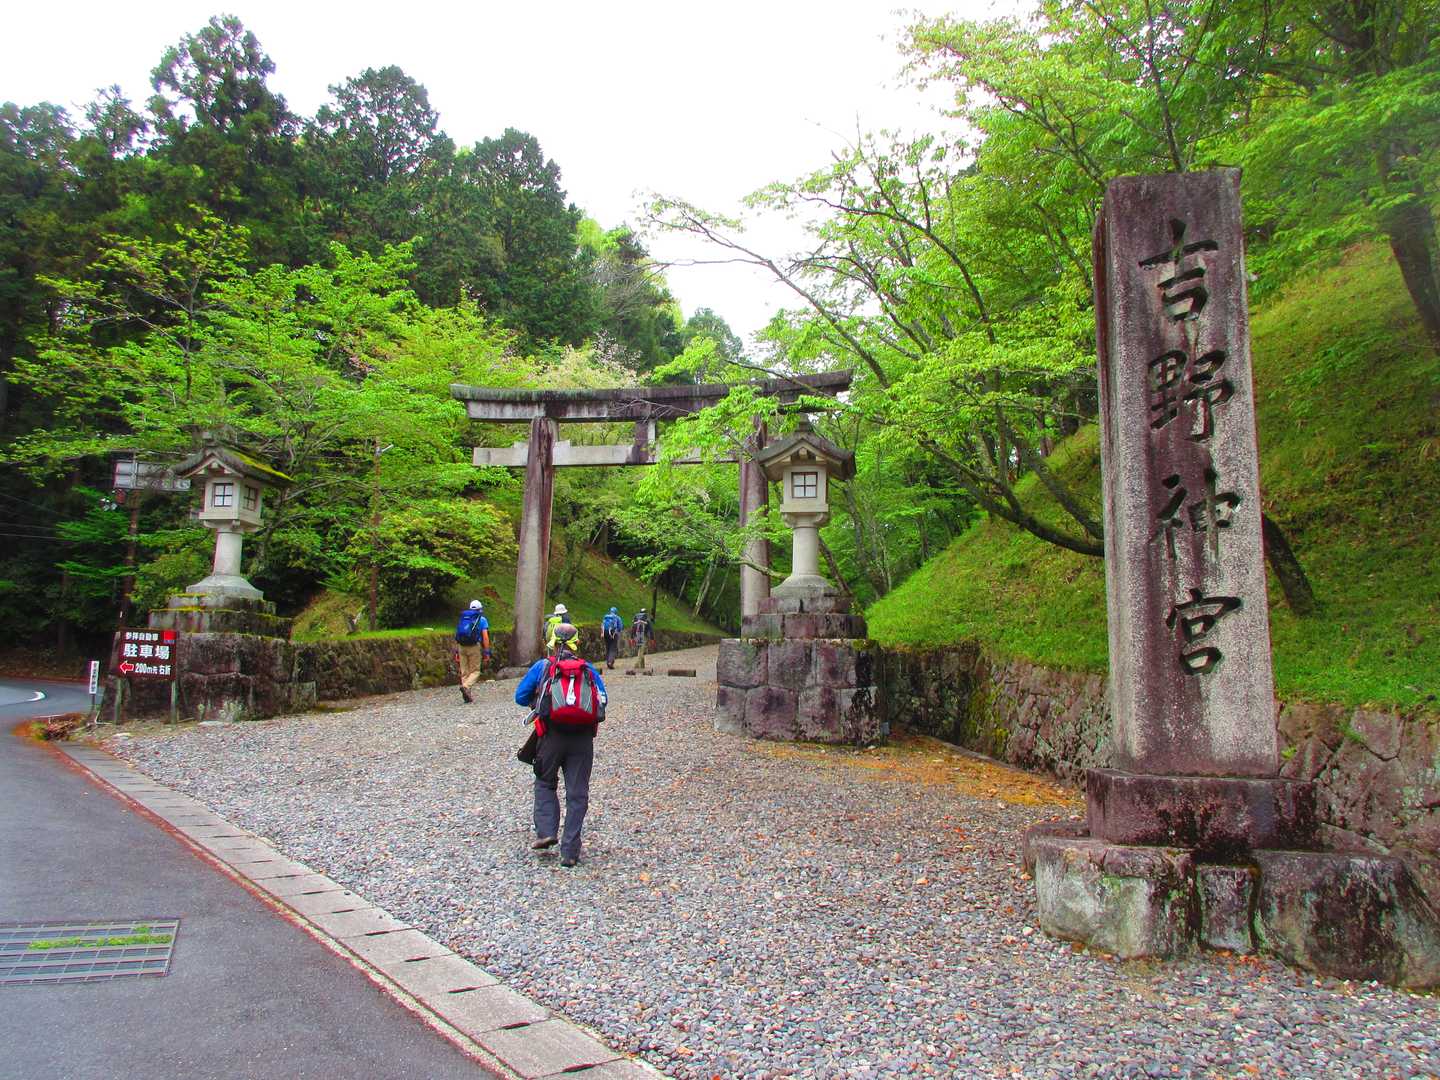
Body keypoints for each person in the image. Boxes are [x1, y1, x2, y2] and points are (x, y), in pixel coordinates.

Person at [515, 623, 607, 867]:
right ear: (577, 643)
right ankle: (570, 851)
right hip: (582, 740)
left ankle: (546, 831)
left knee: (545, 781)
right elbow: (603, 701)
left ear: (552, 643)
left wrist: (540, 700)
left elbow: (519, 696)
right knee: (577, 793)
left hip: (550, 735)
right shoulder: (588, 670)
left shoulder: (543, 666)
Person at [454, 600, 491, 704]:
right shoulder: (482, 620)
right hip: (474, 646)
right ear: (480, 609)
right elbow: (485, 637)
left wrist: (456, 651)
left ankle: (467, 694)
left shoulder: (463, 619)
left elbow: (458, 634)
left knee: (464, 671)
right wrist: (487, 652)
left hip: (461, 646)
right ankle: (466, 687)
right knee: (475, 671)